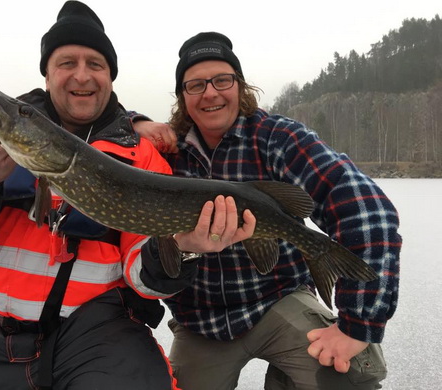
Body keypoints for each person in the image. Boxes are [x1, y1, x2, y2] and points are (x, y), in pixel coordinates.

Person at [0, 6, 256, 389]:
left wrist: (181, 248)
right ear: (47, 74)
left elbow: (143, 277)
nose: (82, 74)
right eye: (67, 62)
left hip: (101, 335)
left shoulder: (142, 156)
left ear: (110, 78)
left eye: (95, 64)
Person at [135, 31, 402, 390]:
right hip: (200, 320)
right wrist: (133, 122)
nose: (210, 92)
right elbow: (97, 135)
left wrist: (358, 325)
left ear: (240, 87)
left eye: (222, 80)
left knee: (350, 375)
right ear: (183, 97)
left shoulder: (277, 137)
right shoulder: (165, 151)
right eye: (195, 85)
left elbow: (368, 213)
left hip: (279, 299)